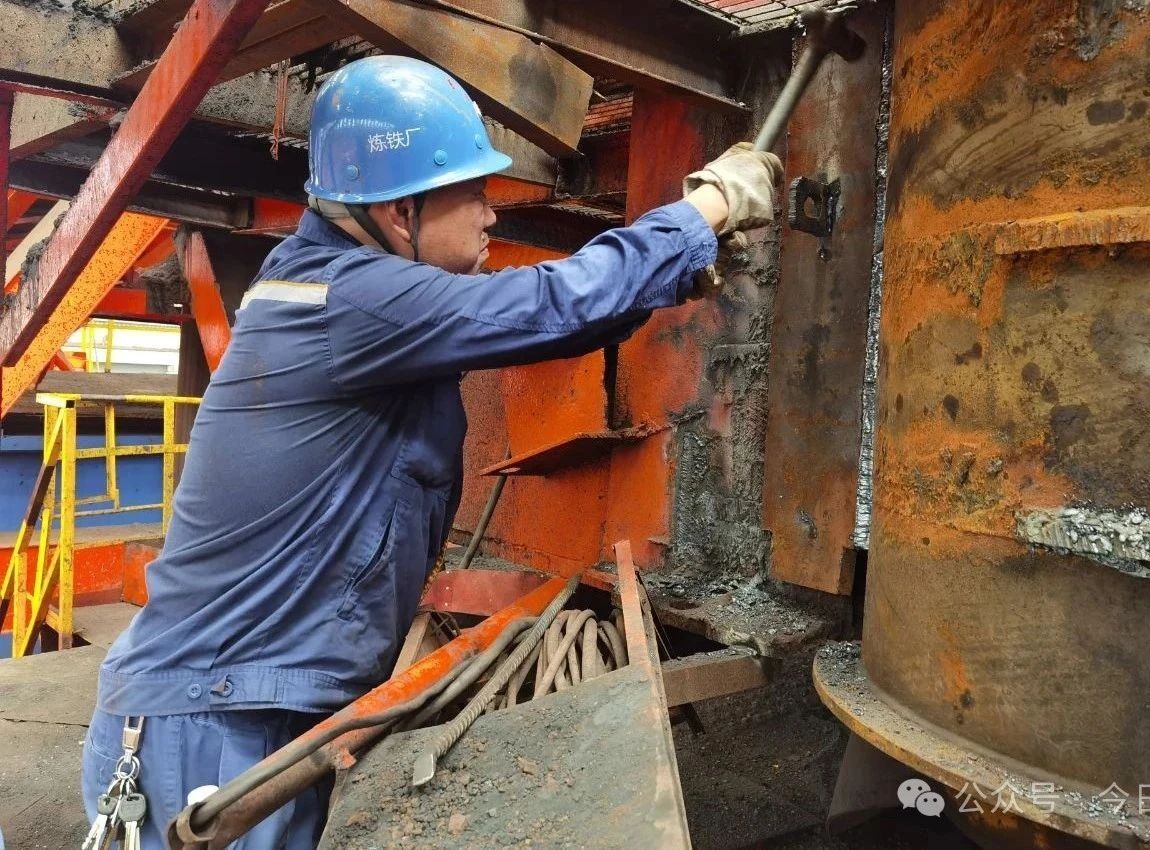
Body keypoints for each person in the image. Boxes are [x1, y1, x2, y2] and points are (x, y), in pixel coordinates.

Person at [80, 55, 781, 848]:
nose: (491, 215)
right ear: (398, 210)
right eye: (472, 193)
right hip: (210, 724)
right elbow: (549, 304)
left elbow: (558, 324)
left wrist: (673, 274)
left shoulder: (331, 285)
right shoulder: (348, 301)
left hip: (250, 705)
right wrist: (705, 209)